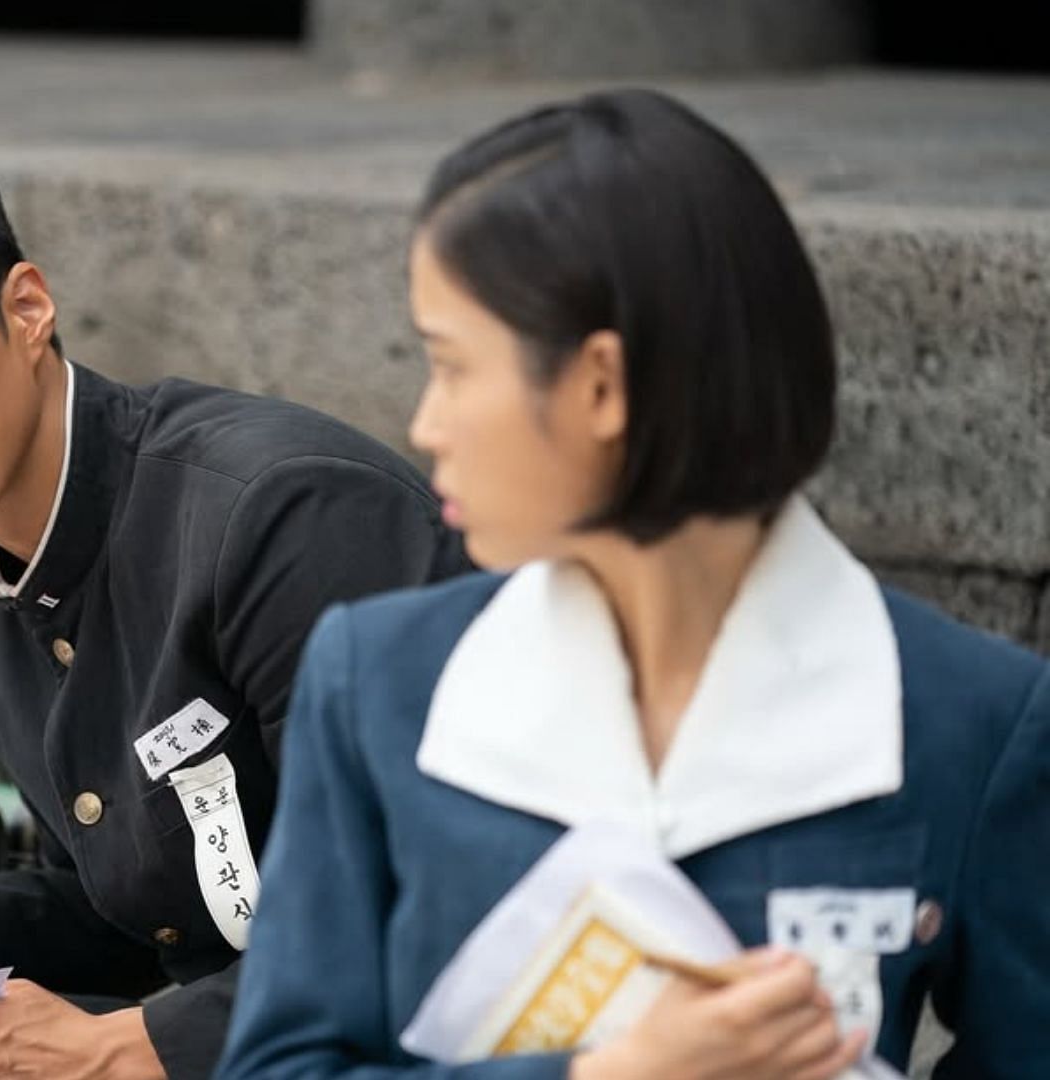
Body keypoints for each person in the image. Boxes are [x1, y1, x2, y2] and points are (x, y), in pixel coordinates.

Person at [217, 88, 1049, 1080]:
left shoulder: (973, 719)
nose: (425, 424)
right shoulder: (377, 682)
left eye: (451, 367)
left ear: (600, 385)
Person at [0, 133, 470, 1080]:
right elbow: (133, 907)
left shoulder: (280, 513)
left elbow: (431, 893)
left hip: (395, 1034)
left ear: (25, 309)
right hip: (209, 1034)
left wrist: (122, 1048)